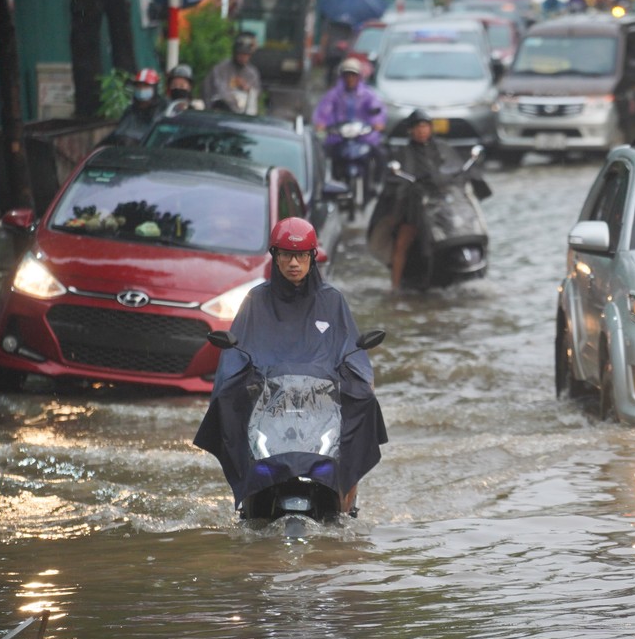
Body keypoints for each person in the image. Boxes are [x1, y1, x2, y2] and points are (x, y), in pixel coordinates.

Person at [193, 217, 387, 516]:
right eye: (286, 254)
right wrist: (239, 381)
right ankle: (248, 497)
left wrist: (360, 380)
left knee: (363, 403)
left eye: (301, 255)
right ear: (275, 256)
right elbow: (237, 351)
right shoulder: (256, 300)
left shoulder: (332, 300)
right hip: (269, 400)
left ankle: (346, 502)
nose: (293, 262)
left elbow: (351, 351)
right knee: (226, 401)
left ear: (313, 257)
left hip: (322, 400)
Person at [386, 109, 490, 290]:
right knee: (403, 240)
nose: (421, 131)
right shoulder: (404, 152)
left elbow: (456, 167)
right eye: (417, 127)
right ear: (410, 130)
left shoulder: (442, 147)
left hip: (442, 202)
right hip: (415, 204)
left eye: (425, 126)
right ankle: (395, 287)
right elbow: (396, 178)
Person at [312, 56, 386, 197]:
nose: (350, 78)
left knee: (380, 154)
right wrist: (321, 124)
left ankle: (376, 184)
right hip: (339, 137)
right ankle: (326, 183)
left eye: (353, 75)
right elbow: (323, 112)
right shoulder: (334, 95)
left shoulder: (368, 95)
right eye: (347, 75)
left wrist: (378, 123)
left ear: (359, 77)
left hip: (363, 137)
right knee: (321, 153)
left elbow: (377, 110)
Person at [100, 68, 167, 146]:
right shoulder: (131, 109)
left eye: (145, 86)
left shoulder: (162, 109)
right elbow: (118, 132)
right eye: (139, 86)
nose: (141, 89)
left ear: (154, 89)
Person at [202, 32, 262, 115]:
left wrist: (247, 88)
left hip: (244, 114)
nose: (243, 57)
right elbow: (217, 91)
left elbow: (256, 94)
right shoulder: (221, 69)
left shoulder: (252, 73)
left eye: (246, 55)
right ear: (235, 53)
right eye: (241, 54)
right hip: (220, 112)